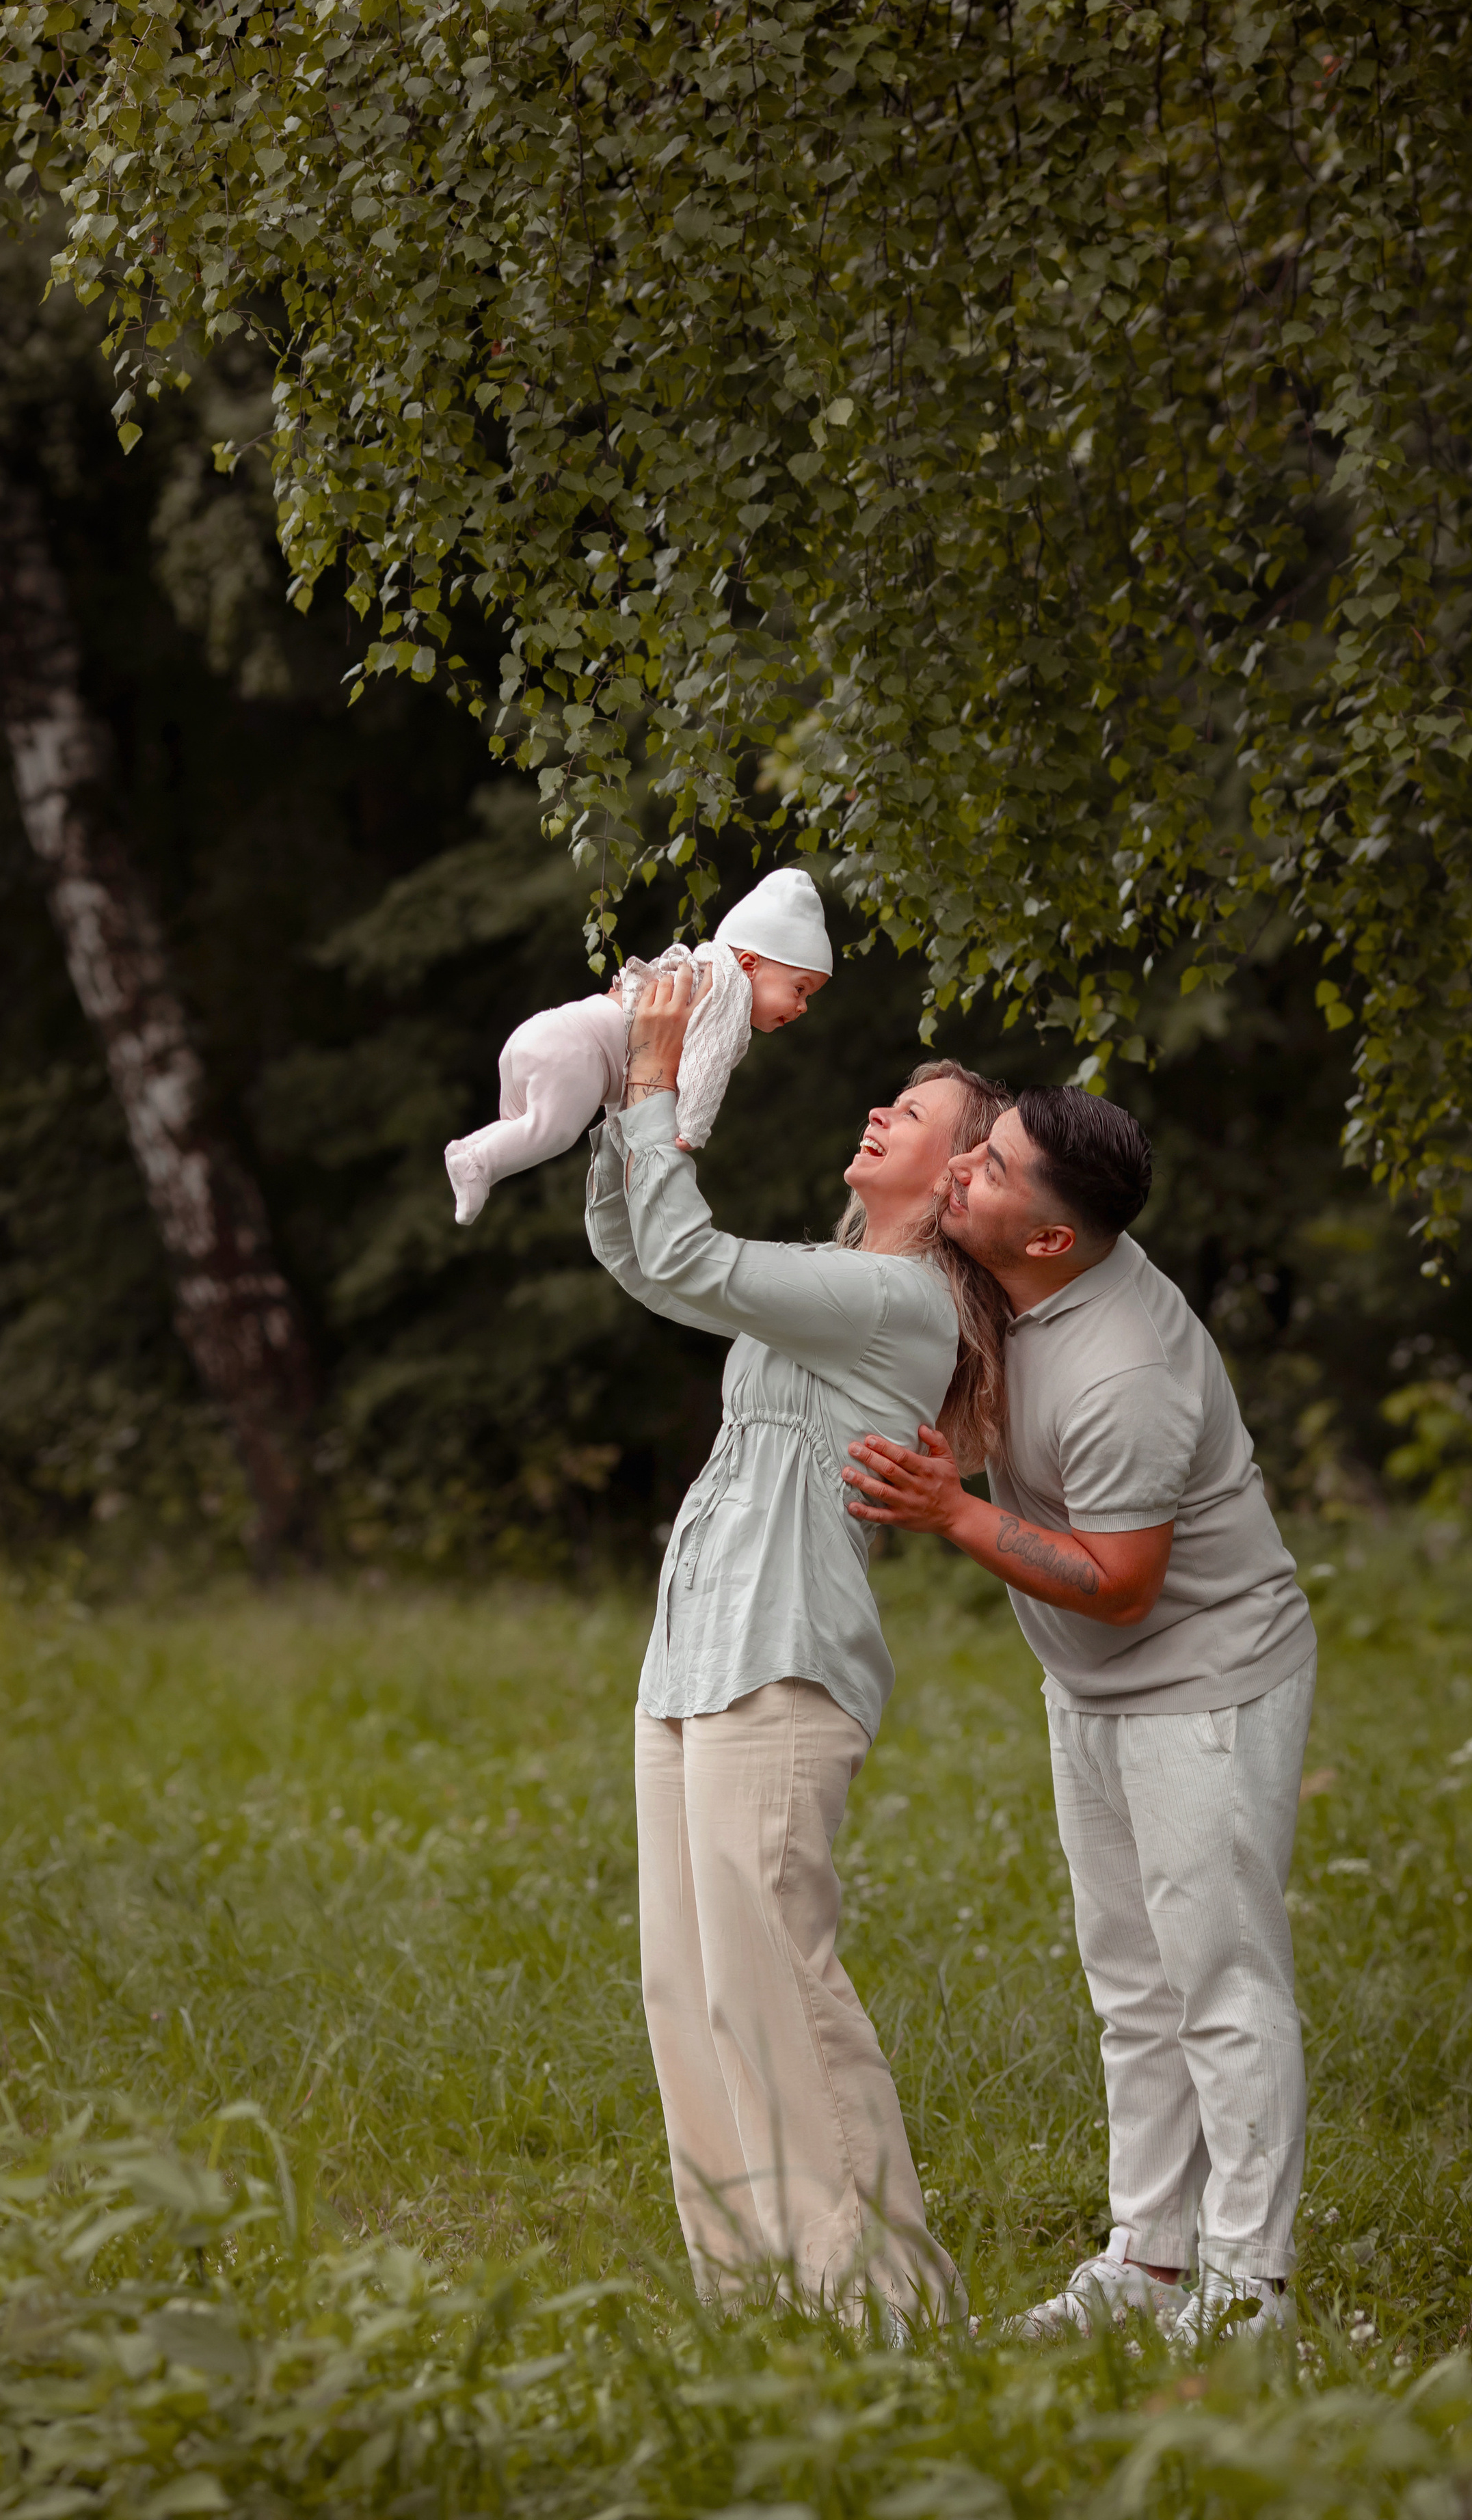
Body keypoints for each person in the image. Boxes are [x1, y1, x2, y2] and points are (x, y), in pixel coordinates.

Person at [841, 1085, 1317, 2342]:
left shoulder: (1129, 1371)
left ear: (1052, 1238)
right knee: (1132, 1981)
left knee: (1219, 1980)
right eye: (979, 1150)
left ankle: (1246, 2288)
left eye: (989, 1171)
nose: (963, 1176)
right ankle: (1149, 2262)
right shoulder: (1025, 1267)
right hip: (1095, 1691)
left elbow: (1119, 1586)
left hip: (1199, 1685)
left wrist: (953, 1515)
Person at [586, 997, 1009, 2324]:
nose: (878, 1110)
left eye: (916, 1113)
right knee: (692, 1990)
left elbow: (687, 1254)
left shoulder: (897, 1299)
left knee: (777, 1979)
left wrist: (660, 1079)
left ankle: (884, 2311)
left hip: (781, 1660)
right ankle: (758, 2303)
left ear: (955, 1181)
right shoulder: (838, 1286)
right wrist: (629, 1105)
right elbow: (646, 1256)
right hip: (694, 1656)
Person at [444, 867, 833, 1225]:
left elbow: (633, 1080)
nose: (802, 1007)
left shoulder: (697, 966)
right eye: (799, 989)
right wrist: (693, 1126)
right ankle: (479, 1163)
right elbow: (707, 1064)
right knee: (556, 1132)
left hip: (547, 1032)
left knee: (523, 1127)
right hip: (580, 1050)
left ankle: (467, 1152)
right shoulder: (729, 990)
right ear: (749, 964)